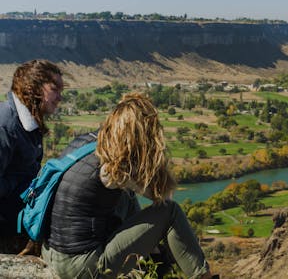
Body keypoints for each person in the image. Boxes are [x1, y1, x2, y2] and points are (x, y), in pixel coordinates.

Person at [42, 93, 212, 279]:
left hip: (51, 252)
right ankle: (203, 276)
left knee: (126, 195)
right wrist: (154, 155)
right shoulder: (112, 166)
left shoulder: (85, 143)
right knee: (170, 212)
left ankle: (152, 258)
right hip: (81, 268)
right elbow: (162, 195)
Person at [0, 59, 63, 242]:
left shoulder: (27, 122)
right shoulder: (7, 126)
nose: (60, 97)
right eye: (54, 89)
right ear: (33, 88)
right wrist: (24, 185)